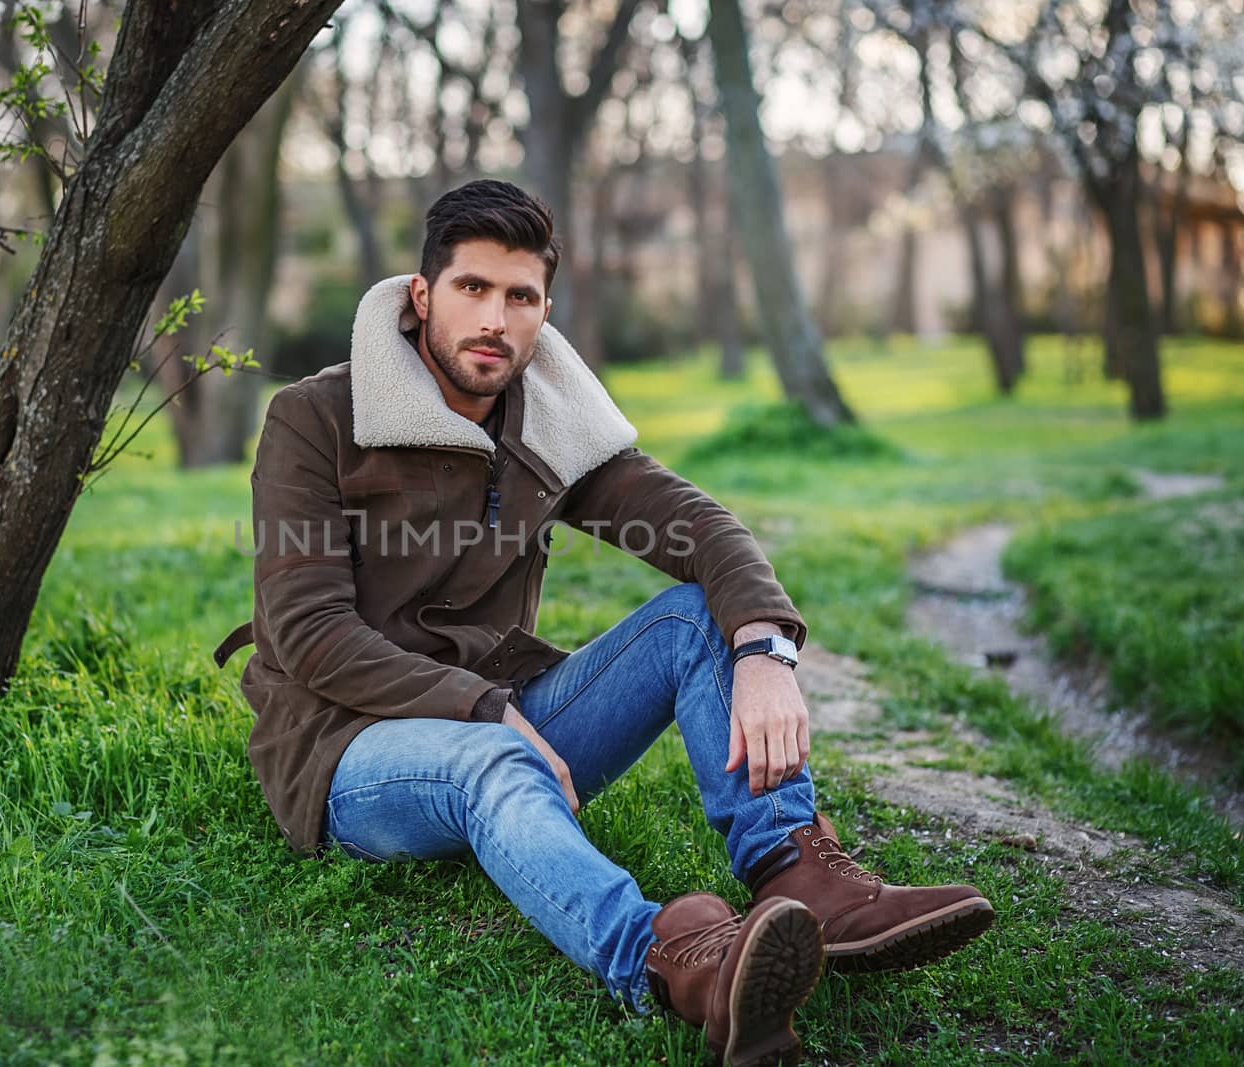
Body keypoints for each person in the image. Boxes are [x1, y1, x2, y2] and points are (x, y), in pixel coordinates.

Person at [213, 179, 992, 1065]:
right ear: (422, 295)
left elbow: (699, 528)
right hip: (347, 748)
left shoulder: (546, 424)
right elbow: (308, 631)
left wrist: (764, 649)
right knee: (491, 756)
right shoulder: (316, 418)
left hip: (504, 712)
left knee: (694, 618)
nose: (494, 320)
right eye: (472, 288)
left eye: (520, 297)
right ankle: (674, 962)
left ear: (544, 310)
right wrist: (484, 711)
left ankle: (802, 875)